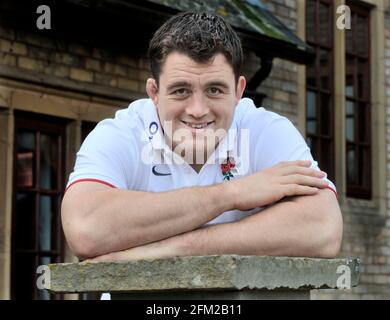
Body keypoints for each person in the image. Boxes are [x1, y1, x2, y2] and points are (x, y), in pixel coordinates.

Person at [61, 11, 343, 263]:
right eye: (181, 90)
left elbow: (323, 228)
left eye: (215, 90)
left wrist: (174, 248)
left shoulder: (265, 130)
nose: (197, 110)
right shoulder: (121, 133)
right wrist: (233, 194)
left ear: (239, 90)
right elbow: (86, 229)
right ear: (154, 92)